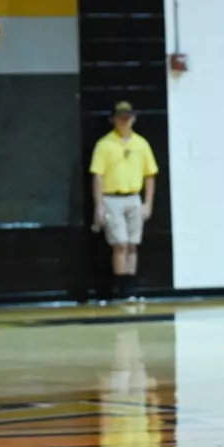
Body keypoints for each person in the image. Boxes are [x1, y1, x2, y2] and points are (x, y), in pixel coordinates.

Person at [89, 101, 158, 302]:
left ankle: (131, 289)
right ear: (114, 120)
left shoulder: (141, 144)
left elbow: (150, 175)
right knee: (120, 243)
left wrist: (148, 203)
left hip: (133, 197)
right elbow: (98, 176)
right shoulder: (105, 144)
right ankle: (120, 289)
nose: (124, 121)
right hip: (113, 198)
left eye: (127, 117)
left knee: (132, 244)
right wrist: (99, 205)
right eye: (120, 117)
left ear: (133, 119)